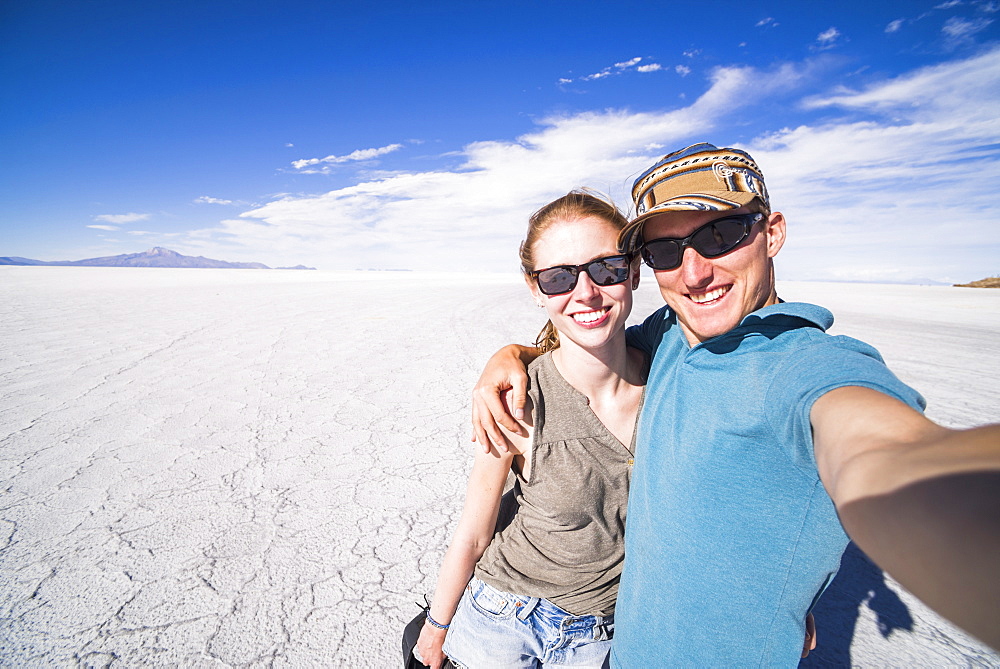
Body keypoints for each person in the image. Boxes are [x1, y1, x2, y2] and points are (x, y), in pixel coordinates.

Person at [471, 143, 1000, 664]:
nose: (694, 273)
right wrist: (512, 356)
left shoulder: (808, 367)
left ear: (772, 234)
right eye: (665, 252)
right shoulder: (673, 335)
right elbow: (588, 342)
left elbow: (883, 447)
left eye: (720, 235)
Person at [415, 191, 647, 668]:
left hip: (600, 636)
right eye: (560, 277)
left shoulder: (675, 382)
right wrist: (435, 633)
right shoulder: (517, 402)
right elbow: (474, 536)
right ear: (536, 288)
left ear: (635, 271)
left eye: (606, 268)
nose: (586, 292)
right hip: (501, 622)